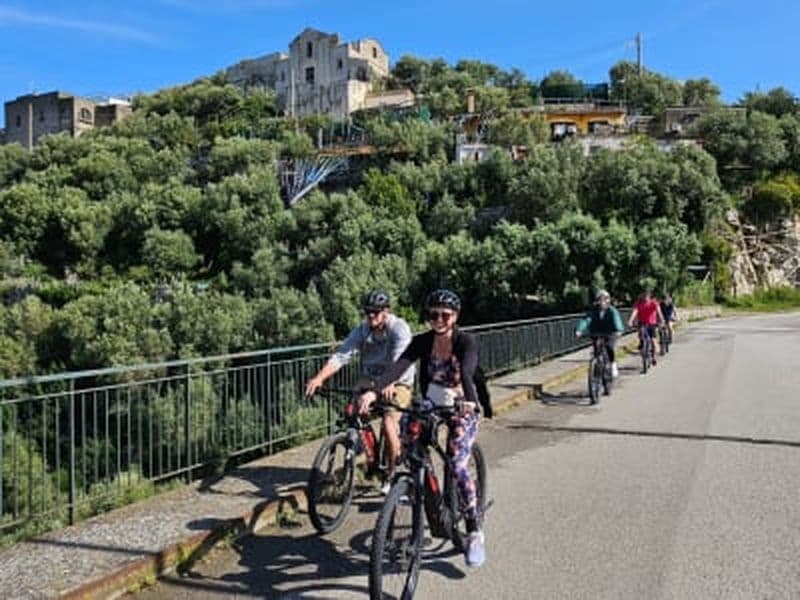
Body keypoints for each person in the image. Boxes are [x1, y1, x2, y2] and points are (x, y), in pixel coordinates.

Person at [361, 289, 486, 568]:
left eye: (445, 315)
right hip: (433, 401)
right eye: (433, 315)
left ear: (455, 317)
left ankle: (474, 529)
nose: (439, 320)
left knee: (457, 464)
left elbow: (467, 372)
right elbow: (398, 367)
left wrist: (469, 402)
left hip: (462, 403)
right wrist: (374, 391)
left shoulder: (466, 341)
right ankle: (417, 485)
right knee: (409, 435)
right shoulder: (423, 341)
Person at [305, 290, 414, 493]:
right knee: (352, 411)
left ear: (386, 311)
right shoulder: (362, 330)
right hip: (370, 379)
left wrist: (386, 384)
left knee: (389, 423)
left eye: (375, 312)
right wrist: (319, 378)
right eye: (367, 311)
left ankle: (391, 473)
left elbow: (399, 363)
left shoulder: (399, 328)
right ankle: (365, 455)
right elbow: (341, 356)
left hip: (397, 379)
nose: (371, 315)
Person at [575, 289, 625, 378]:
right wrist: (579, 330)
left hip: (609, 333)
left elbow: (617, 320)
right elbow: (586, 320)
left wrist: (619, 330)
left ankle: (613, 365)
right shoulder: (593, 311)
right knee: (596, 349)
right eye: (600, 300)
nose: (602, 302)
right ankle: (596, 368)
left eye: (604, 299)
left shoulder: (612, 311)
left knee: (609, 347)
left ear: (608, 300)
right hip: (596, 332)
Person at [627, 289, 665, 363]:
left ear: (649, 296)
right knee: (642, 334)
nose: (645, 297)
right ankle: (642, 344)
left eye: (647, 295)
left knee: (653, 340)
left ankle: (653, 357)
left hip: (652, 324)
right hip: (642, 323)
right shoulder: (639, 303)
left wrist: (662, 320)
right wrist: (630, 321)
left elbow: (659, 312)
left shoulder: (653, 303)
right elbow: (635, 312)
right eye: (644, 295)